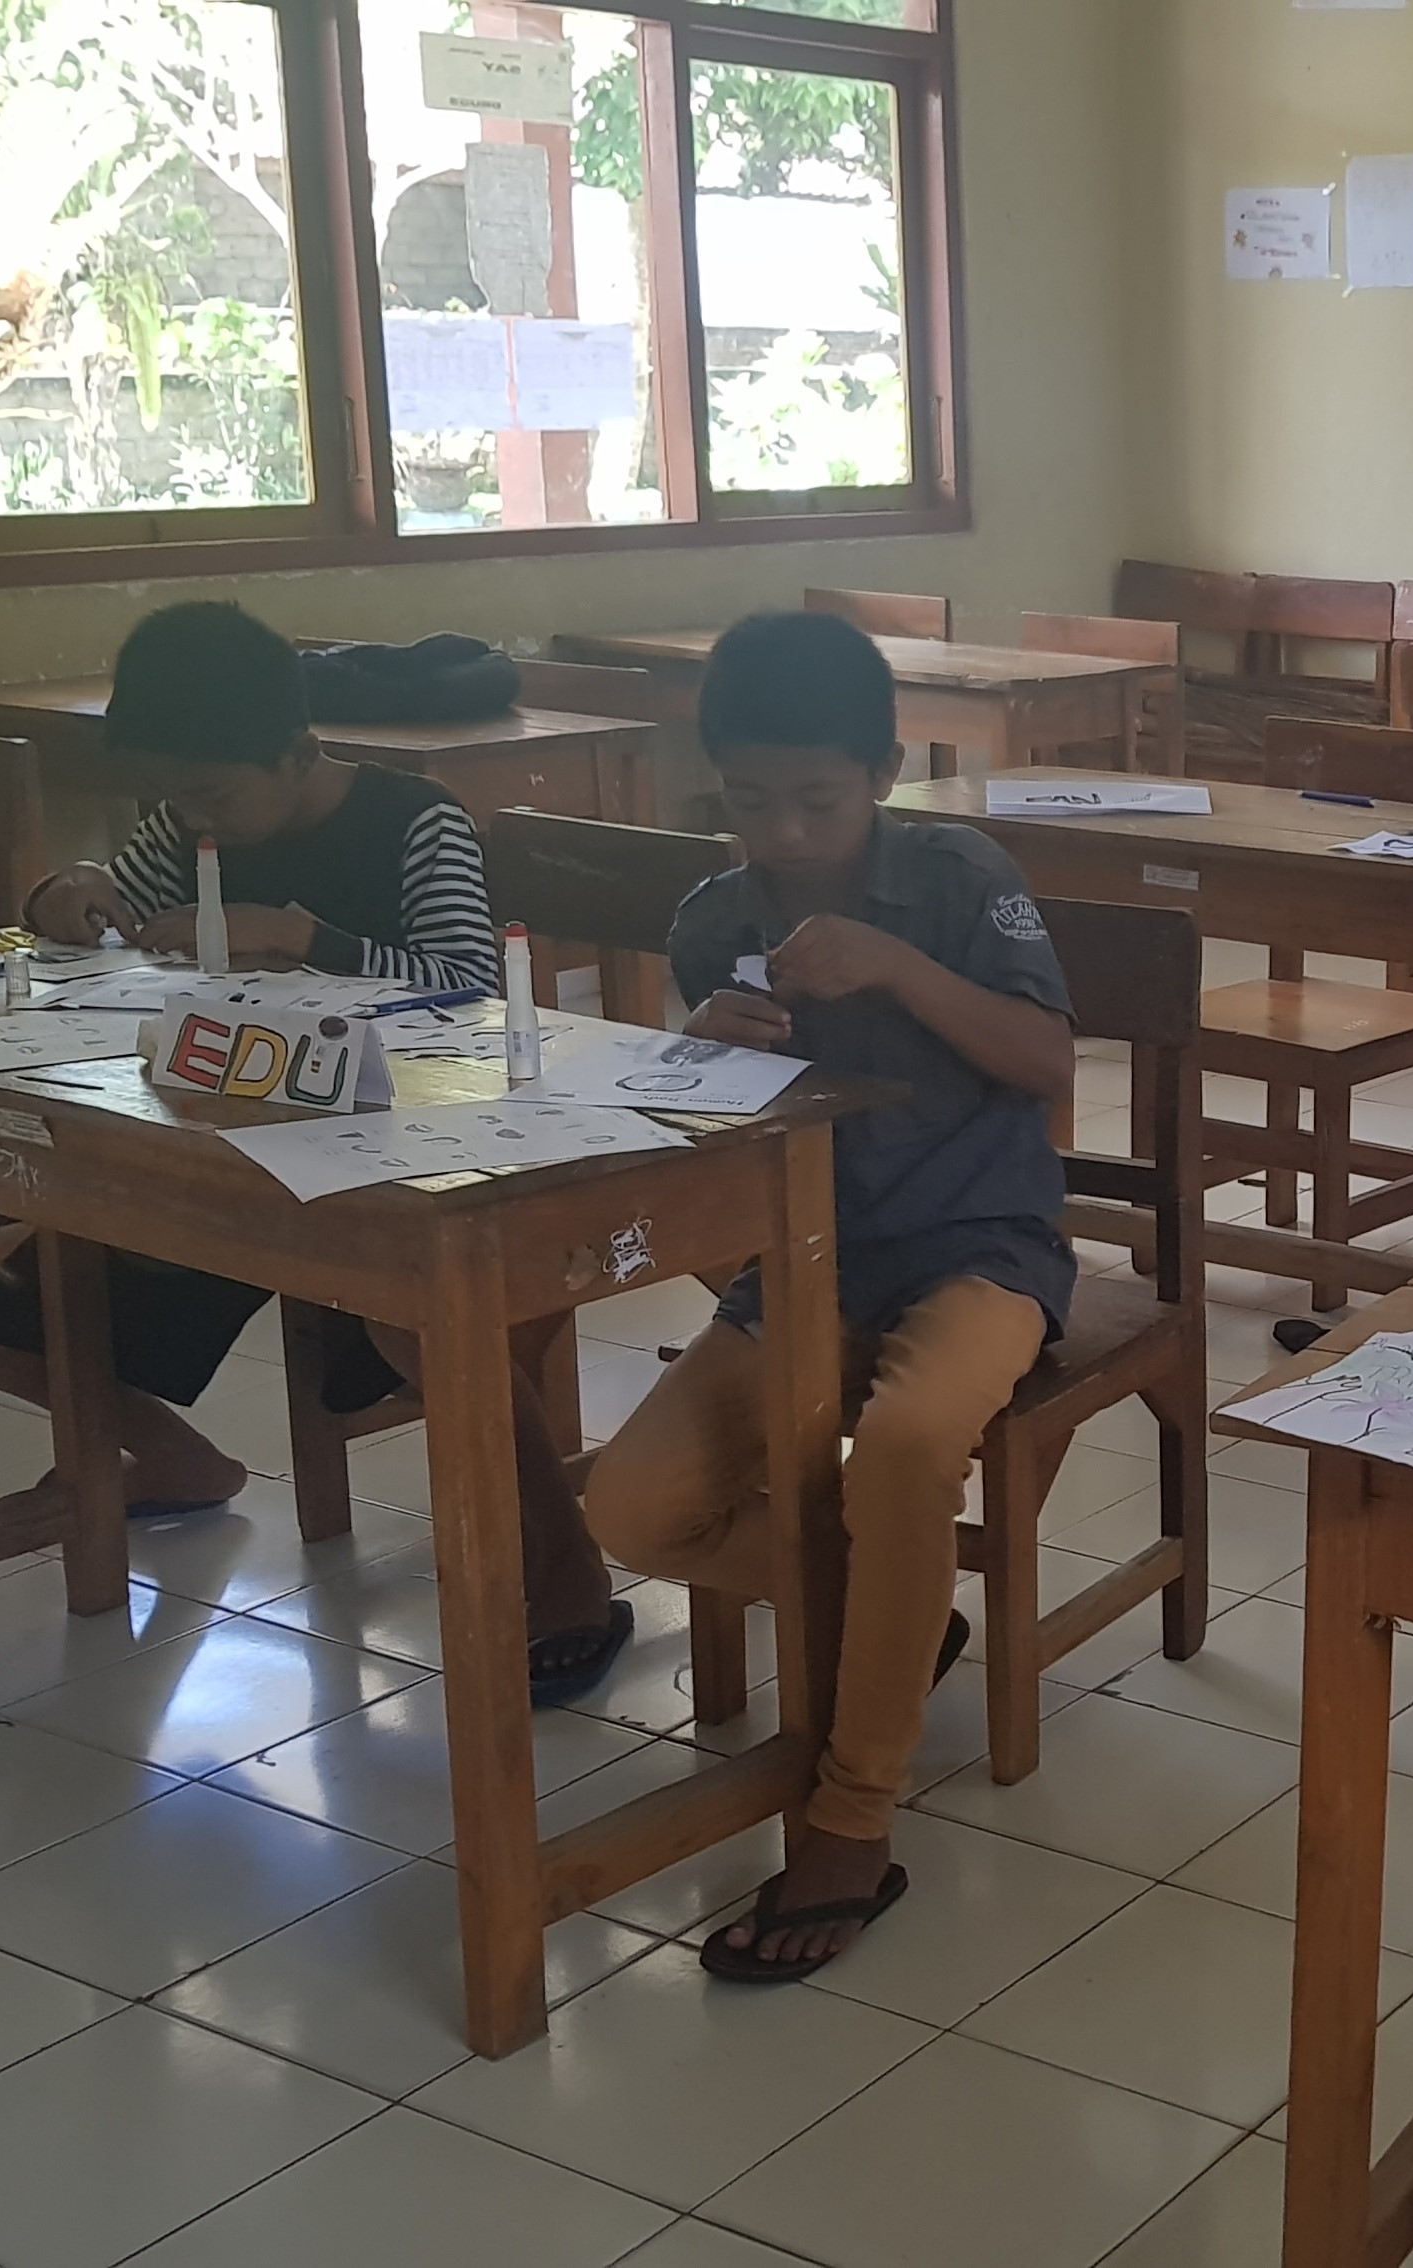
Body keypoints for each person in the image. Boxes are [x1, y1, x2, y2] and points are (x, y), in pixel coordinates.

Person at [567, 609, 1079, 1983]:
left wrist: (898, 966)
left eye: (817, 801)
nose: (785, 835)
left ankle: (853, 1815)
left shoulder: (961, 876)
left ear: (884, 772)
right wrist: (696, 1053)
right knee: (631, 1505)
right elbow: (689, 1133)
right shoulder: (710, 917)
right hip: (797, 1269)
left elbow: (1043, 1059)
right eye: (749, 802)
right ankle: (896, 1616)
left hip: (981, 1247)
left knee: (909, 1453)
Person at [0, 602, 508, 1584]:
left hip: (379, 1158)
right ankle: (177, 1461)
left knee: (406, 1323)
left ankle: (515, 1533)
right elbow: (111, 924)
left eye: (212, 797)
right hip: (211, 1146)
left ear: (299, 751)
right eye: (174, 798)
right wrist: (61, 899)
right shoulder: (182, 828)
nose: (195, 821)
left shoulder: (416, 823)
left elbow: (472, 985)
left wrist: (307, 940)